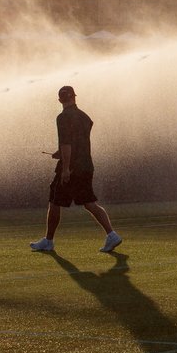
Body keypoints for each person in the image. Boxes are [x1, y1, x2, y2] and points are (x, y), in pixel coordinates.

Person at [30, 86, 123, 253]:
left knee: (54, 201)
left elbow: (67, 143)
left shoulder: (63, 117)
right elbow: (77, 142)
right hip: (86, 165)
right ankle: (112, 235)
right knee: (89, 203)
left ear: (60, 100)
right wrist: (62, 153)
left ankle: (48, 241)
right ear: (74, 97)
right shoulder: (85, 117)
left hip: (71, 168)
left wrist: (65, 168)